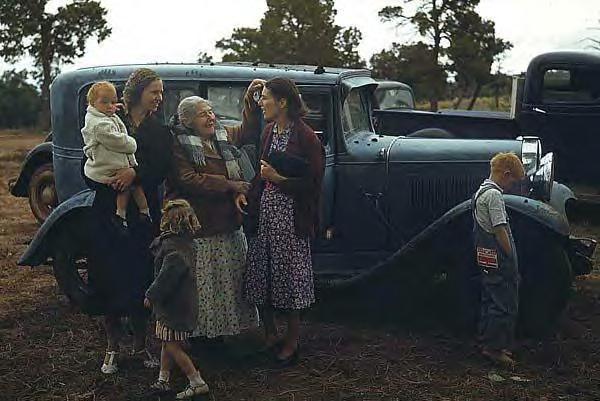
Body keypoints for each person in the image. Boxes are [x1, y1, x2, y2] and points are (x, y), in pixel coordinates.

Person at [85, 68, 172, 374]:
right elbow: (92, 161)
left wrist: (135, 173)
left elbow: (161, 168)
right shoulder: (106, 121)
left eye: (161, 92)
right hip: (108, 208)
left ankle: (140, 345)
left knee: (140, 278)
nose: (159, 98)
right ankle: (111, 347)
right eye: (154, 92)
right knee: (110, 276)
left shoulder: (158, 131)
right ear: (137, 93)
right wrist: (108, 179)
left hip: (143, 215)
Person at [166, 80, 264, 340]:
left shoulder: (222, 135)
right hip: (203, 226)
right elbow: (188, 179)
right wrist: (230, 185)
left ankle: (227, 334)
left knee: (228, 284)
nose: (210, 117)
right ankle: (204, 337)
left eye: (210, 111)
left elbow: (247, 130)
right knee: (206, 285)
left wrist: (250, 101)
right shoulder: (178, 144)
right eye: (202, 113)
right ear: (187, 121)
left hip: (228, 223)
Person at [242, 77, 325, 367]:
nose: (261, 102)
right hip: (266, 217)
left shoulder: (306, 137)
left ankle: (292, 342)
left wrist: (279, 180)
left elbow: (314, 185)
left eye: (266, 98)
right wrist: (248, 194)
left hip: (291, 220)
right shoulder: (267, 132)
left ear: (283, 102)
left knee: (289, 280)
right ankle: (270, 335)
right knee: (262, 275)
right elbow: (261, 174)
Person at [145, 199, 209, 399]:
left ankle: (196, 380)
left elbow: (165, 279)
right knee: (167, 342)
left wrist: (151, 296)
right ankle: (163, 379)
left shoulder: (174, 251)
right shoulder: (187, 244)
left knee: (172, 344)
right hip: (180, 305)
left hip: (173, 308)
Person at [471, 152, 525, 366]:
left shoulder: (480, 191)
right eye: (513, 180)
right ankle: (494, 349)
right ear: (506, 174)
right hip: (499, 258)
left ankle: (485, 341)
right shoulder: (494, 196)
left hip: (486, 257)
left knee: (490, 299)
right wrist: (511, 257)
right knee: (504, 303)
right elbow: (500, 230)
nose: (512, 185)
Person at [81, 81, 150, 230]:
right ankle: (123, 214)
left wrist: (134, 172)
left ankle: (141, 212)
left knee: (133, 187)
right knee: (124, 188)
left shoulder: (108, 116)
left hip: (124, 166)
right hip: (111, 166)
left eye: (113, 102)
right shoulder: (99, 124)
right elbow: (116, 140)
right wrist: (131, 143)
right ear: (92, 104)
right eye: (104, 102)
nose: (110, 106)